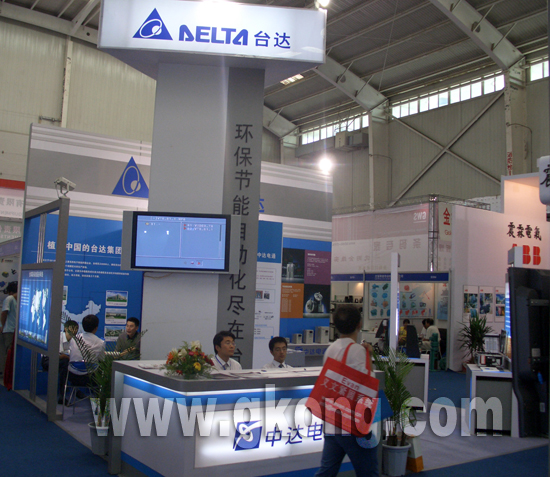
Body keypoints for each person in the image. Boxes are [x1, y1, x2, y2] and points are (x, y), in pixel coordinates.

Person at [315, 304, 378, 477]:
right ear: (359, 324)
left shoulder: (330, 349)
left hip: (332, 420)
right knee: (369, 471)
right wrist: (369, 357)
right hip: (353, 422)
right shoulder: (357, 351)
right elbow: (368, 384)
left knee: (327, 471)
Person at [41, 320, 79, 403]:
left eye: (76, 329)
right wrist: (68, 357)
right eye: (72, 328)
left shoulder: (74, 341)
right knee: (65, 363)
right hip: (48, 361)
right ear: (65, 328)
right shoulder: (58, 336)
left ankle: (67, 394)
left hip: (63, 363)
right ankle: (67, 393)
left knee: (67, 365)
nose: (74, 331)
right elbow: (57, 356)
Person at [68, 314, 105, 386]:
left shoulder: (74, 339)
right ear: (96, 328)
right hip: (90, 377)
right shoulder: (100, 342)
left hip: (72, 375)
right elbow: (102, 359)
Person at [0, 282, 18, 376]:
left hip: (10, 330)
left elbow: (4, 313)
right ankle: (7, 374)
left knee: (9, 353)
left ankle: (7, 374)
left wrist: (2, 326)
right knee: (9, 352)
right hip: (11, 330)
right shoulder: (13, 299)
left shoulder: (10, 298)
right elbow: (4, 313)